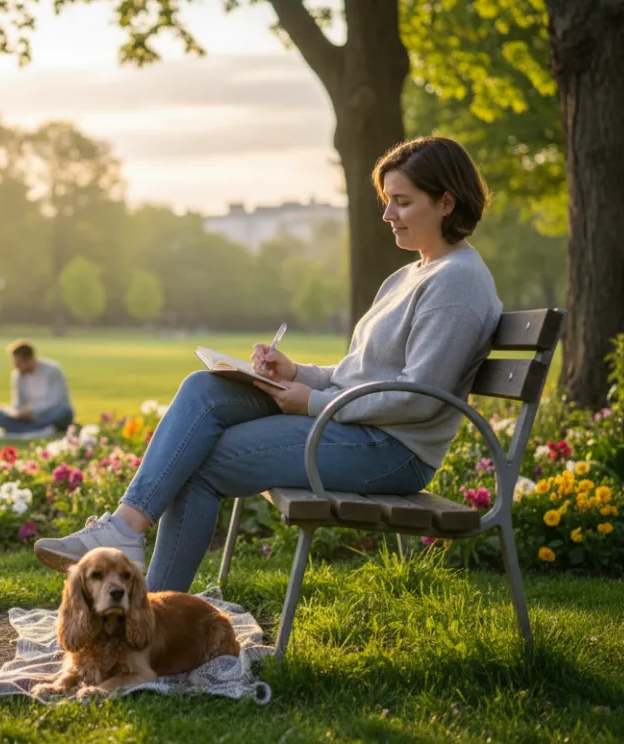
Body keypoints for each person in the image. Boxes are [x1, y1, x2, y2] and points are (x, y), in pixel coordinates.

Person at [34, 136, 503, 587]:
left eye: (402, 201)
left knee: (201, 463)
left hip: (390, 450)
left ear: (446, 202)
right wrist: (294, 373)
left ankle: (153, 616)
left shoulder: (456, 283)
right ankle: (125, 529)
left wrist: (313, 403)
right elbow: (358, 372)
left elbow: (417, 399)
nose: (387, 214)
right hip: (353, 425)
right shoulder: (413, 273)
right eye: (387, 200)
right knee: (205, 388)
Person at [0, 340, 75, 434]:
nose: (16, 367)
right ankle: (38, 430)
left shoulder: (52, 371)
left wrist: (33, 410)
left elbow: (54, 402)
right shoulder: (18, 375)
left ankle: (24, 429)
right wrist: (19, 413)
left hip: (49, 413)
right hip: (30, 417)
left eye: (19, 363)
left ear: (29, 359)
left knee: (64, 411)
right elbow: (19, 403)